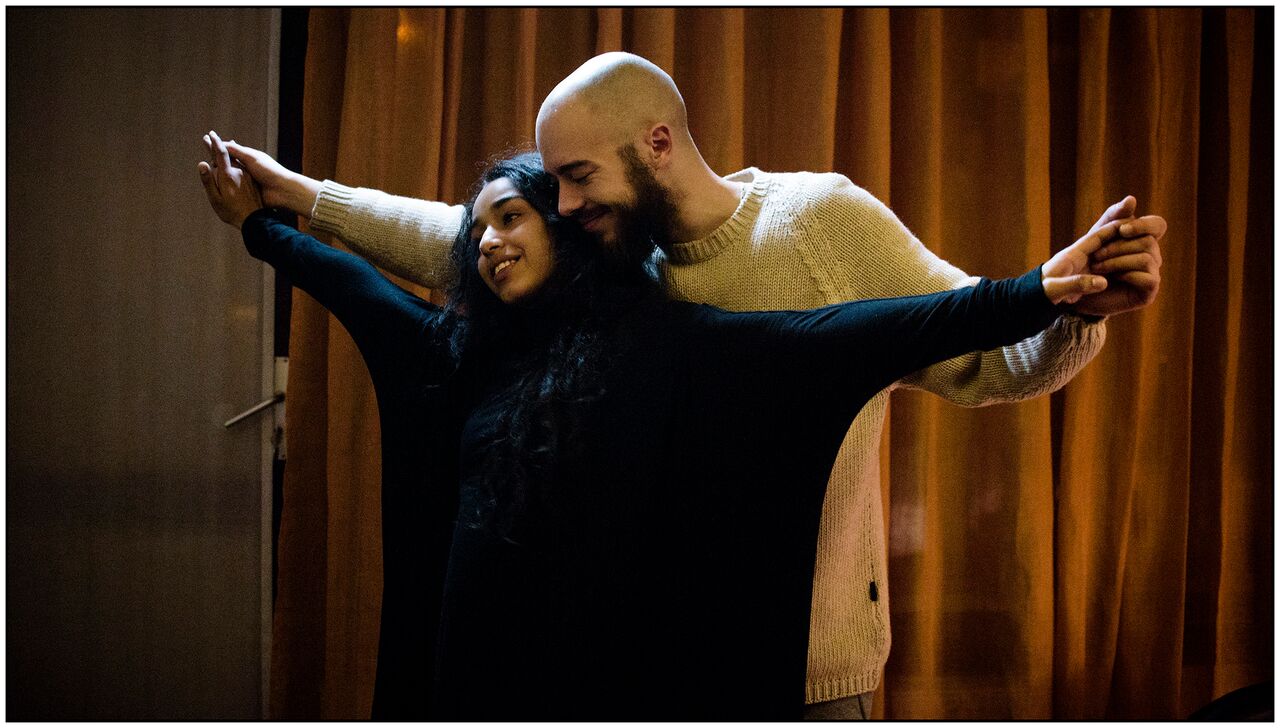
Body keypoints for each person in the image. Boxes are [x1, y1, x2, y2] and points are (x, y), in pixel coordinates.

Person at [222, 52, 1166, 718]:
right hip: (663, 670)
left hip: (811, 672)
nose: (566, 204)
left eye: (578, 177)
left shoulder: (817, 221)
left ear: (658, 143)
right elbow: (458, 236)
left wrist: (1078, 309)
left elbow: (989, 357)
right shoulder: (610, 262)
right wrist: (296, 198)